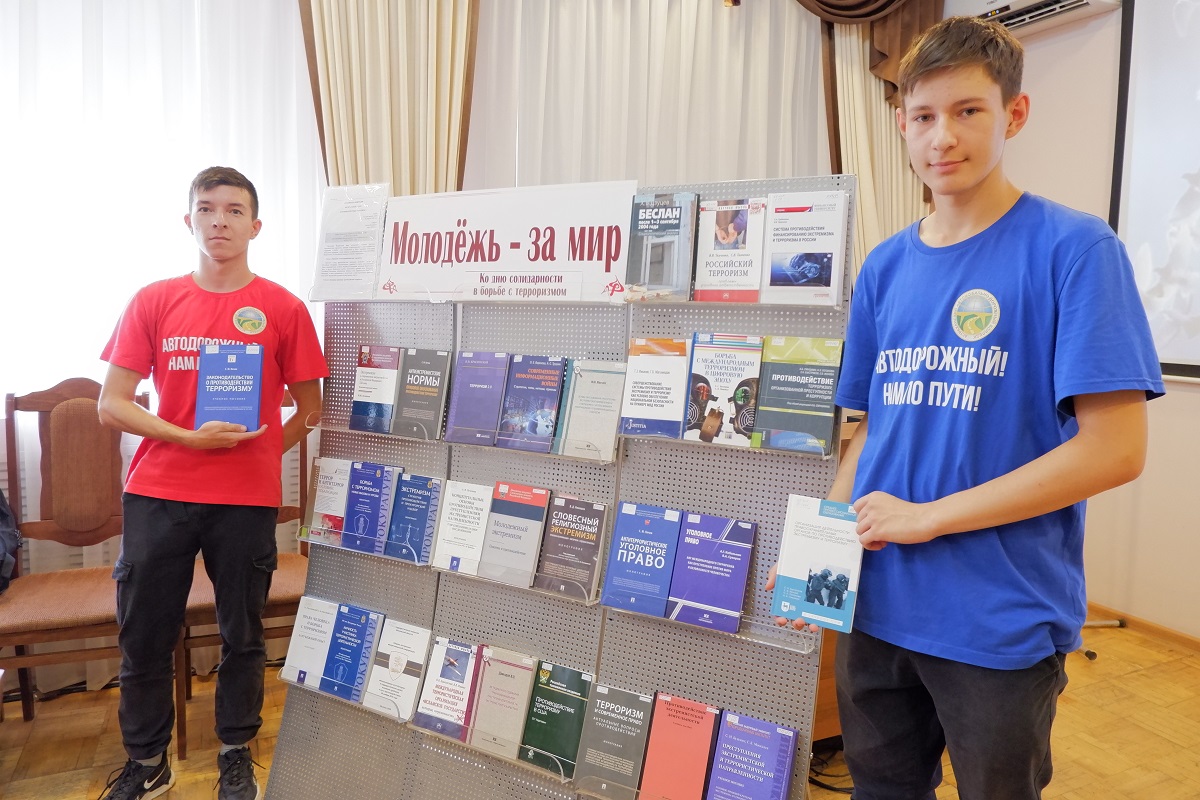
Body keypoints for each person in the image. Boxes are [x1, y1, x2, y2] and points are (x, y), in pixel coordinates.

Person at [767, 16, 1163, 800]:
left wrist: (929, 518)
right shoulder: (885, 267)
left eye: (968, 111)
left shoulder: (1076, 250)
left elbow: (1116, 449)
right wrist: (820, 552)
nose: (942, 137)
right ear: (901, 125)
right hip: (877, 609)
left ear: (1015, 114)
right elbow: (870, 430)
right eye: (922, 116)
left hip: (998, 619)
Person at [97, 166, 328, 800]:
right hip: (158, 492)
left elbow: (312, 409)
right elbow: (111, 404)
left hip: (244, 500)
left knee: (242, 634)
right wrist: (187, 439)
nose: (219, 221)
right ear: (189, 220)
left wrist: (259, 451)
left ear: (256, 226)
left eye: (233, 211)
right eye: (206, 208)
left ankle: (235, 752)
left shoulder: (283, 307)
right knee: (144, 634)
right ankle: (147, 762)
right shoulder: (153, 300)